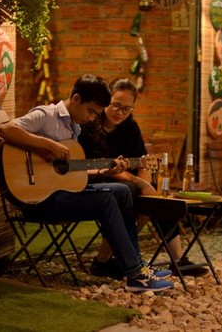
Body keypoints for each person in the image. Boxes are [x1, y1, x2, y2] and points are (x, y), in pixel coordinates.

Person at [0, 74, 173, 292]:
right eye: (91, 111)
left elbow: (71, 174)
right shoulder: (46, 115)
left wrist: (106, 170)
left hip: (61, 192)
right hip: (38, 200)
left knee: (121, 192)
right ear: (77, 98)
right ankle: (135, 275)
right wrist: (47, 145)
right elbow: (5, 130)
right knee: (106, 200)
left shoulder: (75, 128)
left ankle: (136, 266)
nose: (92, 118)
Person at [79, 78, 209, 277]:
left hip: (125, 183)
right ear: (107, 101)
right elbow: (102, 166)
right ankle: (111, 262)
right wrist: (138, 183)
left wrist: (148, 192)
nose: (120, 112)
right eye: (116, 105)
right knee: (127, 193)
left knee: (156, 196)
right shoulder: (89, 124)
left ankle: (177, 260)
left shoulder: (129, 126)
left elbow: (143, 161)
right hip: (96, 179)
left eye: (127, 109)